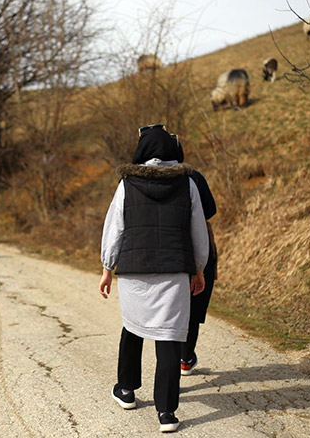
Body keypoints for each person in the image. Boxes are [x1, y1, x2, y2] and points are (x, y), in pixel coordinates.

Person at [98, 124, 209, 433]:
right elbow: (199, 231)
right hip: (174, 272)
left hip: (134, 272)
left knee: (133, 327)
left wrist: (107, 268)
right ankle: (166, 413)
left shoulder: (127, 184)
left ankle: (126, 390)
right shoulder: (188, 184)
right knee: (170, 337)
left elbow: (114, 228)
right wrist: (199, 268)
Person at [170, 135, 218, 376]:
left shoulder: (148, 180)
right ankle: (186, 358)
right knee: (195, 305)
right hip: (199, 246)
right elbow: (210, 211)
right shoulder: (194, 177)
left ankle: (173, 359)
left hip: (169, 250)